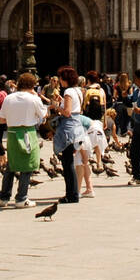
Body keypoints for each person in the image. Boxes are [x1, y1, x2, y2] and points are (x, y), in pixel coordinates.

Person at [0, 72, 46, 208]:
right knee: (27, 165)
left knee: (11, 165)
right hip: (27, 132)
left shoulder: (9, 98)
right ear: (33, 85)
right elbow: (43, 115)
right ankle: (21, 198)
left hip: (12, 133)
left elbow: (2, 119)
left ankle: (4, 198)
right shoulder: (33, 99)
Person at [51, 67, 87, 203]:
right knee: (69, 161)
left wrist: (55, 106)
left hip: (68, 128)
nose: (59, 81)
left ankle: (72, 195)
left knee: (67, 163)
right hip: (77, 126)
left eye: (60, 78)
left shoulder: (68, 91)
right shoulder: (78, 91)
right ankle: (73, 193)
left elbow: (66, 112)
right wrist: (61, 100)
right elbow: (75, 108)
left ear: (65, 79)